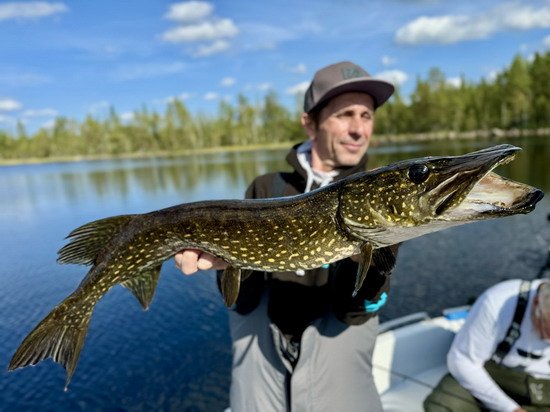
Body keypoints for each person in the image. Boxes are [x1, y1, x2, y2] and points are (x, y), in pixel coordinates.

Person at [175, 61, 398, 411]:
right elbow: (240, 301)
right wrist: (228, 260)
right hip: (264, 338)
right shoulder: (267, 187)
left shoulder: (379, 191)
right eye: (345, 115)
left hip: (337, 334)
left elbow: (357, 312)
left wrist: (372, 262)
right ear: (310, 123)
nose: (358, 129)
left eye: (366, 116)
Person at [424, 279, 550, 412]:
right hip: (496, 372)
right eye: (548, 331)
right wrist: (510, 408)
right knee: (443, 404)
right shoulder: (496, 303)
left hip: (545, 385)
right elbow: (463, 360)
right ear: (536, 303)